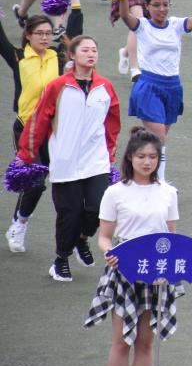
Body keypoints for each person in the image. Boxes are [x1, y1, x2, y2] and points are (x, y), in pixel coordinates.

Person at [84, 127, 192, 366]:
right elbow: (104, 237)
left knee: (145, 343)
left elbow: (172, 239)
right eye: (141, 156)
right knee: (121, 342)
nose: (147, 162)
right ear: (130, 157)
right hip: (125, 268)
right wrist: (110, 253)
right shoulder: (115, 192)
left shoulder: (168, 192)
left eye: (153, 157)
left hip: (157, 271)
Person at [18, 34, 120, 282]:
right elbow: (39, 120)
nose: (91, 54)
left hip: (96, 161)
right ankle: (61, 260)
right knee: (69, 214)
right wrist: (26, 154)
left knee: (99, 208)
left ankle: (82, 239)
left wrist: (109, 152)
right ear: (72, 56)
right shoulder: (58, 87)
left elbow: (112, 121)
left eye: (94, 50)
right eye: (85, 50)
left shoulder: (105, 87)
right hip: (65, 162)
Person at [2, 0, 83, 253]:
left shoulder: (57, 57)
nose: (45, 38)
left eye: (48, 33)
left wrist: (75, 2)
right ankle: (19, 223)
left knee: (61, 181)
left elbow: (75, 35)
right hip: (27, 129)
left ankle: (75, 237)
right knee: (35, 181)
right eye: (39, 33)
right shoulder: (18, 57)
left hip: (54, 130)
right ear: (28, 35)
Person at [117, 0, 192, 181]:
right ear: (147, 6)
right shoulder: (142, 26)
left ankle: (136, 164)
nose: (162, 9)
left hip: (172, 87)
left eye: (165, 4)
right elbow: (125, 15)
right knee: (160, 137)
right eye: (157, 5)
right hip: (149, 87)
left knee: (155, 139)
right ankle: (159, 182)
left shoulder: (176, 24)